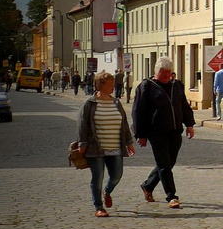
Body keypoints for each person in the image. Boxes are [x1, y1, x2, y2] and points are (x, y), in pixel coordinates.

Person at [131, 57, 195, 209]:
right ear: (156, 72)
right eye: (163, 73)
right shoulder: (146, 86)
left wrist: (189, 124)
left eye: (169, 73)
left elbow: (184, 106)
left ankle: (148, 185)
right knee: (164, 165)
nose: (167, 76)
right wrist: (141, 134)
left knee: (168, 163)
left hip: (175, 130)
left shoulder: (176, 85)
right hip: (156, 132)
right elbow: (138, 111)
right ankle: (171, 196)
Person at [77, 71, 135, 218]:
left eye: (113, 84)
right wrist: (82, 144)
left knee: (116, 175)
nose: (113, 87)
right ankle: (99, 206)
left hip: (115, 146)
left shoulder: (116, 102)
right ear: (100, 85)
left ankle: (107, 191)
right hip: (96, 148)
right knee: (98, 176)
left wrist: (129, 142)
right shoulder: (89, 104)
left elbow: (124, 124)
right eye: (110, 84)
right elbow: (82, 125)